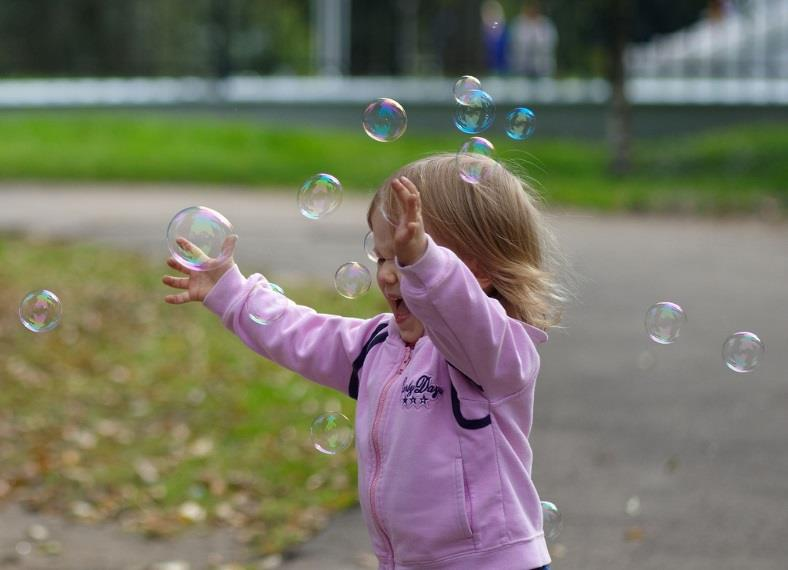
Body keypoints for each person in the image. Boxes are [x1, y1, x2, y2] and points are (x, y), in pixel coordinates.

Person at [162, 153, 565, 569]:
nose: (389, 275)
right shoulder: (377, 344)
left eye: (408, 259)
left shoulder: (496, 353)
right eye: (384, 258)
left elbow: (463, 313)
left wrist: (424, 262)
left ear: (475, 272)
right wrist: (230, 291)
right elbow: (300, 332)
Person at [508, 0, 558, 78]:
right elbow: (513, 45)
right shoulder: (517, 24)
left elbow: (550, 44)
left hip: (543, 69)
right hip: (521, 70)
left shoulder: (546, 24)